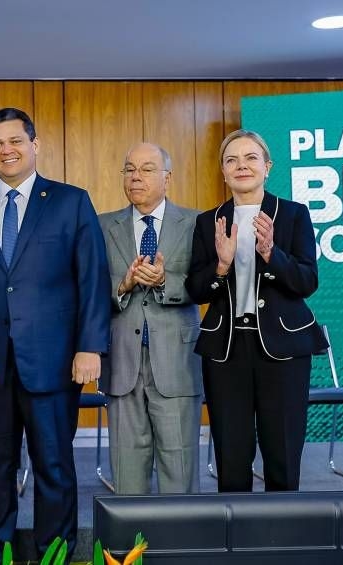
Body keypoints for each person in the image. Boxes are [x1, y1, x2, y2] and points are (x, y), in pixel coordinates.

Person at [0, 108, 110, 562]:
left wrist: (90, 347)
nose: (6, 150)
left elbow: (92, 278)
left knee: (54, 467)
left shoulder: (70, 201)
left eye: (15, 141)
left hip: (53, 360)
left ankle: (53, 555)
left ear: (34, 145)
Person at [186, 129, 328, 492]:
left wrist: (271, 254)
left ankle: (281, 525)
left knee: (282, 451)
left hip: (283, 347)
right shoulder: (208, 221)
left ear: (267, 167)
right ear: (223, 171)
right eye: (231, 160)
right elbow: (195, 289)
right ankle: (236, 526)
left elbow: (307, 281)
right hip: (226, 349)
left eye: (251, 158)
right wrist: (221, 266)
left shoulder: (294, 215)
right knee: (231, 454)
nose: (241, 166)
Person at [99, 142, 202, 494]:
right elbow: (87, 286)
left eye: (146, 169)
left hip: (177, 361)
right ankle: (132, 534)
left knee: (180, 469)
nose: (135, 177)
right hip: (122, 361)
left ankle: (179, 532)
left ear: (167, 178)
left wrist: (164, 281)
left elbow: (206, 284)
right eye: (129, 169)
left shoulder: (195, 223)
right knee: (127, 470)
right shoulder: (102, 226)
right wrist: (123, 285)